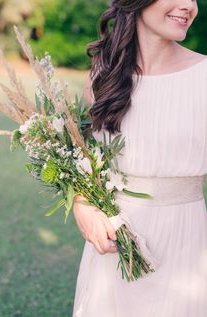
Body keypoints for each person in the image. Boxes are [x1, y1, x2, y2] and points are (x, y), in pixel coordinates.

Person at [72, 0, 207, 316]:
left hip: (184, 243)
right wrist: (83, 206)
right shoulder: (101, 77)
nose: (189, 6)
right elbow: (86, 159)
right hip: (114, 245)